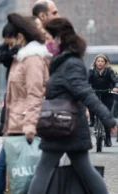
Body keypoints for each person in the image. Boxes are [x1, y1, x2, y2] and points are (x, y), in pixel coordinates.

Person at [28, 18, 117, 194]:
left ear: (59, 38)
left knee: (44, 170)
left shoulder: (71, 64)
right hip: (64, 124)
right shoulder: (62, 61)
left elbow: (85, 93)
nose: (46, 41)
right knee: (85, 170)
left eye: (48, 37)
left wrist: (107, 118)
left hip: (64, 124)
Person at [0, 13, 51, 194]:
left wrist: (30, 126)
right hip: (16, 125)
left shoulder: (31, 59)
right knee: (5, 174)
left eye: (11, 42)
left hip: (24, 127)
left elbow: (35, 94)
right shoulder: (21, 57)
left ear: (21, 36)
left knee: (5, 174)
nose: (9, 48)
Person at [0, 22, 20, 138]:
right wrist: (11, 50)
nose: (6, 41)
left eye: (8, 38)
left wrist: (16, 49)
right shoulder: (5, 49)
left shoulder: (23, 49)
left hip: (20, 86)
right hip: (10, 84)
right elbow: (0, 57)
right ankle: (3, 129)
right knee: (7, 106)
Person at [88, 54, 118, 147]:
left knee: (107, 115)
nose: (100, 63)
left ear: (105, 63)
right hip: (95, 93)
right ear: (95, 62)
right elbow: (87, 81)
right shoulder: (91, 70)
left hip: (107, 94)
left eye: (102, 61)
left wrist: (116, 87)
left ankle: (108, 137)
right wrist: (87, 87)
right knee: (91, 104)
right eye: (98, 61)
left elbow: (115, 81)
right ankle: (92, 119)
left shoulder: (109, 71)